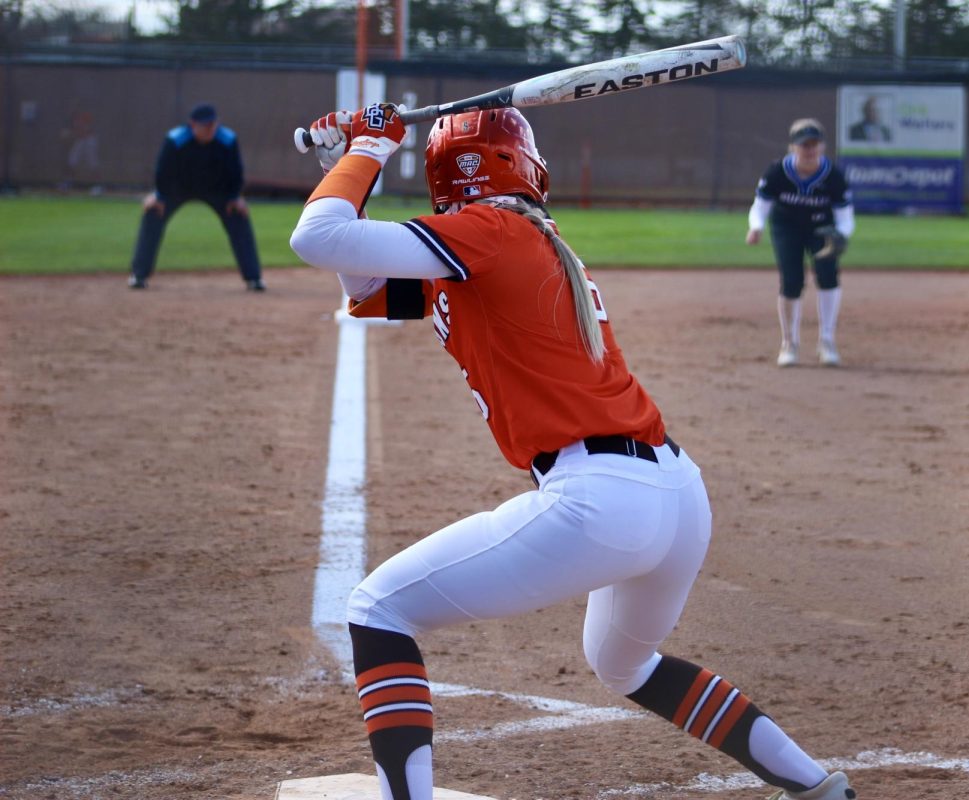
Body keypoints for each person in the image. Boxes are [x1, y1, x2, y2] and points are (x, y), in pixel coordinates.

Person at [289, 104, 859, 800]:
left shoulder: (489, 233)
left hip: (600, 498)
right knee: (625, 665)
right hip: (676, 494)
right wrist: (346, 166)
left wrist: (373, 145)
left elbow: (317, 237)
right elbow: (365, 280)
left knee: (379, 610)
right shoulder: (513, 238)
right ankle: (818, 786)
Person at [746, 119, 855, 368]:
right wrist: (756, 227)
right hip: (787, 228)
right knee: (792, 281)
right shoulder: (777, 172)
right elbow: (760, 207)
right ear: (793, 147)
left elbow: (845, 217)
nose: (809, 149)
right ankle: (789, 344)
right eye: (804, 144)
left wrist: (841, 235)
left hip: (822, 229)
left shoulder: (834, 176)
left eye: (814, 144)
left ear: (822, 146)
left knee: (828, 276)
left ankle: (827, 342)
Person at [128, 103, 264, 290]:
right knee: (152, 212)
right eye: (205, 125)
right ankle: (139, 275)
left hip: (218, 191)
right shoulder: (175, 139)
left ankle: (253, 278)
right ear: (192, 124)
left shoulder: (228, 139)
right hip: (178, 189)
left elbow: (236, 172)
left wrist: (235, 197)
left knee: (239, 214)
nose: (210, 129)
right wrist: (158, 197)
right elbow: (163, 171)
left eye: (213, 124)